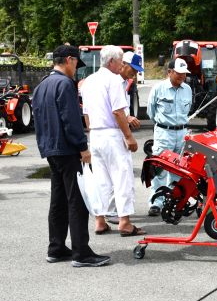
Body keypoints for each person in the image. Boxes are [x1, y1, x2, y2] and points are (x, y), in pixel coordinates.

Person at [32, 44, 110, 267]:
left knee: (58, 201)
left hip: (51, 149)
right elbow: (71, 119)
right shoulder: (65, 84)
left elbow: (39, 120)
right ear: (69, 60)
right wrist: (82, 147)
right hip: (68, 149)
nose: (76, 69)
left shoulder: (42, 85)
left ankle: (56, 248)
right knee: (77, 201)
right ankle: (81, 253)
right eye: (76, 63)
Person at [81, 45, 145, 237]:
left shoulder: (88, 81)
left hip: (96, 134)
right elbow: (118, 112)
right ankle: (124, 222)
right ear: (111, 61)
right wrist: (128, 137)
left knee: (101, 180)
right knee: (122, 178)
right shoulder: (113, 80)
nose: (121, 65)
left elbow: (86, 114)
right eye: (120, 62)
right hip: (111, 134)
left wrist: (92, 132)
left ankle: (99, 220)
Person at [146, 58, 192, 216]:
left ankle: (174, 199)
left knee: (179, 169)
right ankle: (156, 202)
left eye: (184, 73)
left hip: (183, 134)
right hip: (164, 133)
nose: (182, 76)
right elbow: (151, 113)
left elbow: (187, 110)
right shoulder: (158, 89)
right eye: (178, 72)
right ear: (169, 72)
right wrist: (163, 127)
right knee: (160, 169)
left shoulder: (187, 89)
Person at [104, 52, 144, 225]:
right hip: (113, 132)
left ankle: (111, 211)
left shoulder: (123, 82)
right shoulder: (114, 81)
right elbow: (115, 110)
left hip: (113, 132)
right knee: (119, 174)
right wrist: (127, 125)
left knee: (116, 174)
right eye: (132, 69)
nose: (134, 73)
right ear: (123, 64)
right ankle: (112, 212)